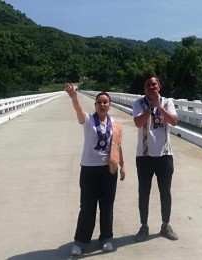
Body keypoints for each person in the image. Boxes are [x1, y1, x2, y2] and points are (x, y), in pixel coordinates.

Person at [65, 83, 126, 256]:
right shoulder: (88, 121)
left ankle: (106, 238)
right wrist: (74, 97)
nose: (102, 104)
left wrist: (123, 166)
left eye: (105, 102)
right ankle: (81, 241)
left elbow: (118, 146)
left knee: (107, 206)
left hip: (109, 170)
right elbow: (78, 110)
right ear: (95, 104)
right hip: (89, 170)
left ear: (110, 104)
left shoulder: (115, 124)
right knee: (87, 207)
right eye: (99, 102)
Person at [132, 75, 179, 242]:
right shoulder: (139, 103)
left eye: (154, 84)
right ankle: (143, 226)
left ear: (159, 86)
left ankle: (165, 225)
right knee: (144, 192)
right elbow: (138, 123)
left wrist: (160, 107)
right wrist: (151, 108)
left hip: (165, 155)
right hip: (144, 156)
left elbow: (174, 121)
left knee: (165, 192)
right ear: (144, 89)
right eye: (148, 85)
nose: (151, 88)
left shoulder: (168, 102)